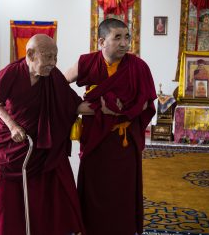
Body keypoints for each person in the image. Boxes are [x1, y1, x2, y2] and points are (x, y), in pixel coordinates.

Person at [0, 34, 88, 235]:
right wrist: (12, 126)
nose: (53, 63)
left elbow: (74, 104)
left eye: (55, 57)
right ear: (31, 54)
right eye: (48, 57)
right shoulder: (11, 73)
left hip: (43, 146)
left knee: (49, 191)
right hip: (13, 145)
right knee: (7, 199)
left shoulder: (54, 77)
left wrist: (103, 106)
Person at [64, 18, 157, 235]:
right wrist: (80, 107)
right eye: (118, 38)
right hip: (96, 138)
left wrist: (118, 111)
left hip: (123, 140)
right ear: (101, 41)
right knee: (95, 186)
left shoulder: (139, 67)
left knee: (122, 189)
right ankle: (90, 228)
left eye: (127, 37)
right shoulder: (87, 63)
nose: (125, 43)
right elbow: (58, 84)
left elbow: (146, 103)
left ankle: (122, 229)